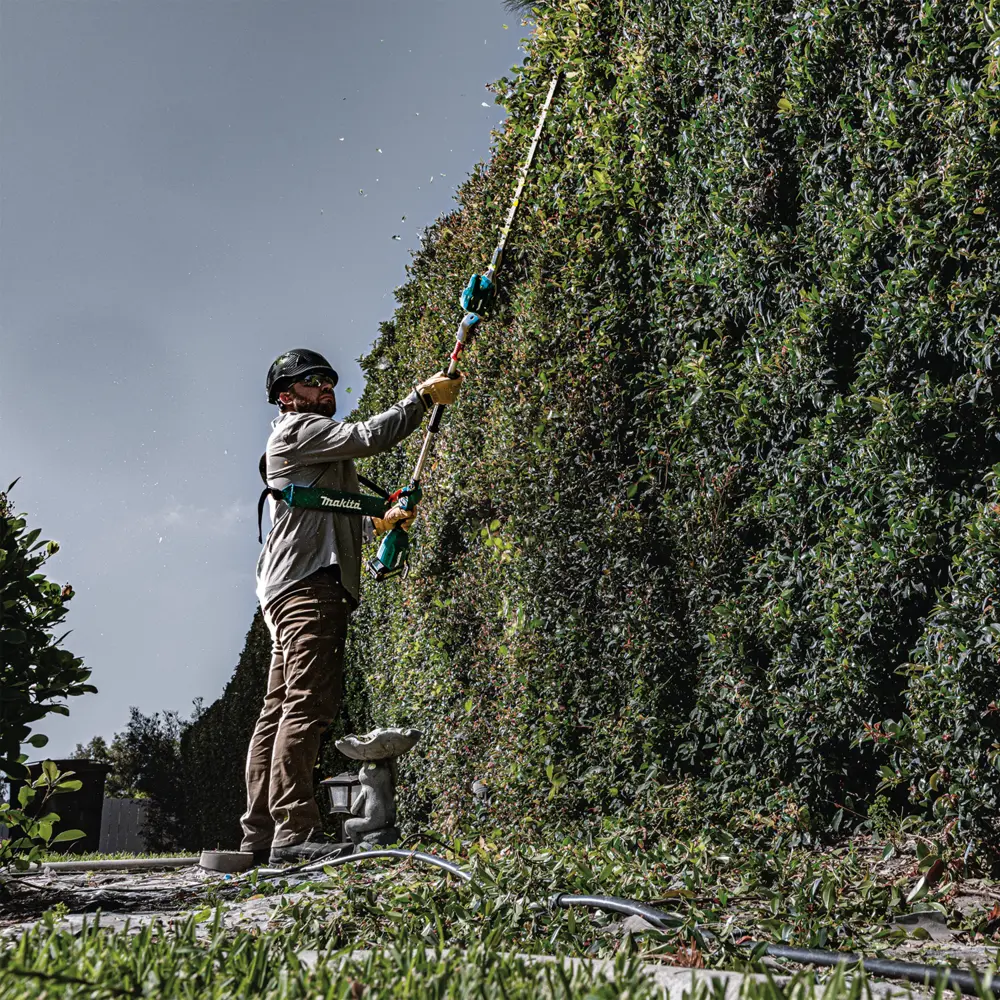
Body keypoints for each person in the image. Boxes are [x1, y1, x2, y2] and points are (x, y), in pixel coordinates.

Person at [242, 348, 462, 864]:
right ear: (286, 397)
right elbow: (370, 436)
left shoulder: (316, 452)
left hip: (290, 585)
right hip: (309, 587)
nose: (326, 387)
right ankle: (294, 834)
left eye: (329, 380)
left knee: (278, 710)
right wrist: (421, 397)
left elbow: (330, 518)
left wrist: (377, 522)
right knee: (307, 705)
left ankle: (259, 835)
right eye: (312, 380)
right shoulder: (300, 430)